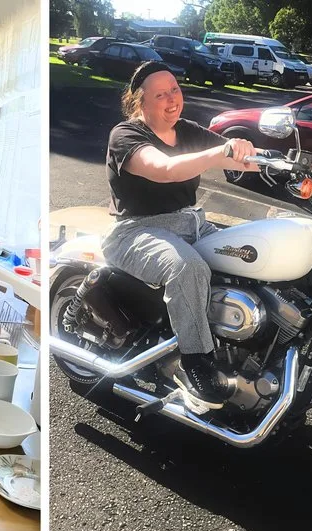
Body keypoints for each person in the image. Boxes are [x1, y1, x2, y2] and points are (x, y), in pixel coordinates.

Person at [102, 61, 301, 388]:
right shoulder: (125, 135)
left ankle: (248, 345)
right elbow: (166, 169)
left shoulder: (187, 130)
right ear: (142, 102)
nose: (172, 98)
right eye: (161, 94)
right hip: (136, 230)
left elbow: (237, 158)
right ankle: (194, 361)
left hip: (192, 225)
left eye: (175, 90)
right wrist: (221, 150)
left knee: (248, 255)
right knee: (187, 267)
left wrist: (309, 166)